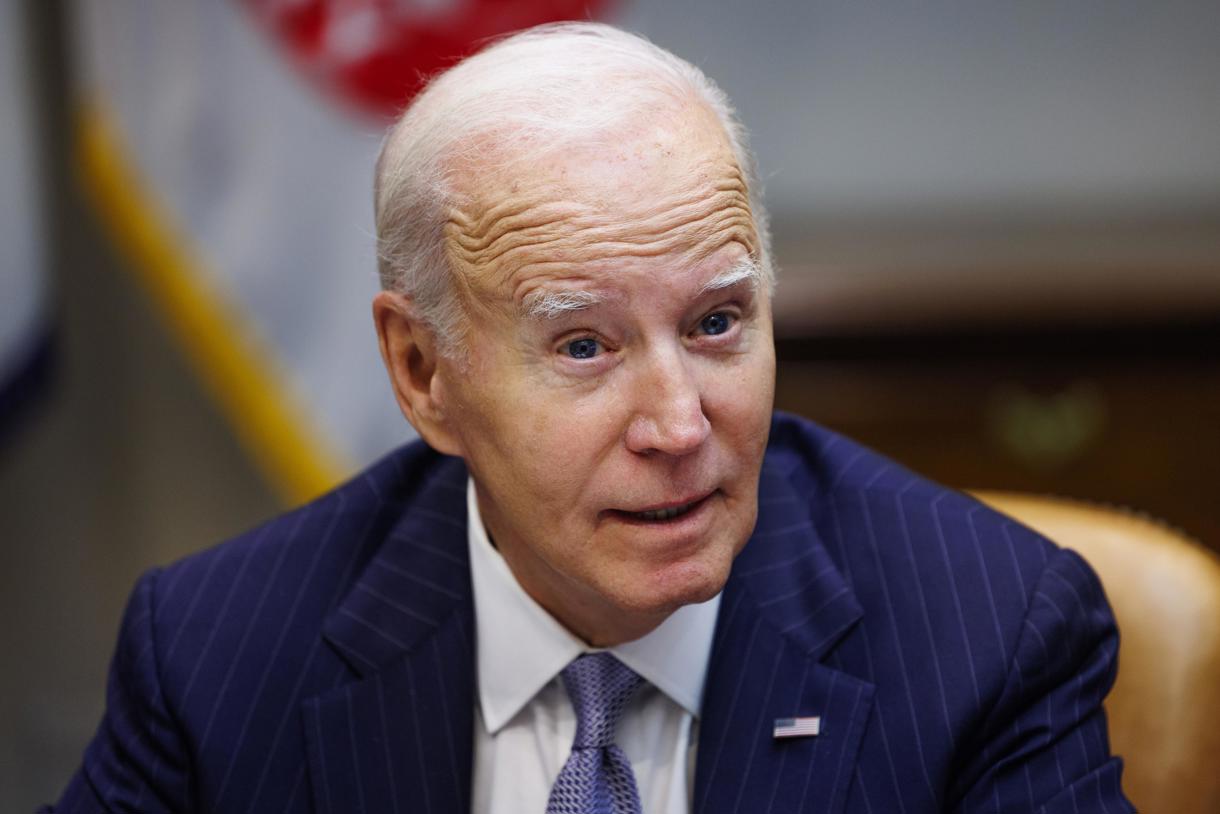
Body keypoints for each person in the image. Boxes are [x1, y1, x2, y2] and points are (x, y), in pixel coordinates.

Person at [47, 22, 1133, 814]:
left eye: (715, 322)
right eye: (583, 346)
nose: (676, 424)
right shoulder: (217, 652)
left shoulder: (989, 631)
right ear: (422, 371)